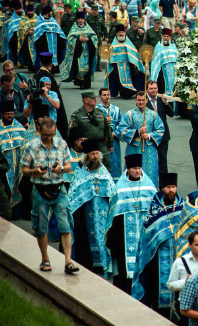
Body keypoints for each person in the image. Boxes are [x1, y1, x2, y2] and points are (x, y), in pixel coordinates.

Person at [20, 118, 78, 274]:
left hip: (59, 188)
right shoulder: (31, 147)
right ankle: (45, 259)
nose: (49, 139)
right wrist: (34, 171)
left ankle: (68, 261)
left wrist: (61, 168)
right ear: (39, 131)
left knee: (65, 224)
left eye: (52, 135)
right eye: (46, 136)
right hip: (40, 188)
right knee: (41, 226)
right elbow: (24, 169)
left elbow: (68, 166)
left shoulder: (61, 144)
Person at [132, 173, 184, 316]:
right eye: (168, 187)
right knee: (159, 304)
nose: (172, 190)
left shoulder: (183, 208)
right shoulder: (154, 211)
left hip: (179, 260)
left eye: (174, 187)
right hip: (158, 263)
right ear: (162, 188)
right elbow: (146, 240)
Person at [105, 153, 156, 294]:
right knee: (124, 273)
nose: (137, 171)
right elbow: (113, 217)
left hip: (144, 237)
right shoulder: (120, 188)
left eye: (139, 168)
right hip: (124, 239)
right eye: (134, 168)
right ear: (128, 169)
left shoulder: (149, 187)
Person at [67, 138, 115, 272]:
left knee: (104, 234)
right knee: (88, 236)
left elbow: (112, 188)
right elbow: (74, 193)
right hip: (86, 212)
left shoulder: (102, 169)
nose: (95, 157)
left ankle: (104, 262)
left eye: (97, 154)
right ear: (86, 155)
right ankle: (92, 263)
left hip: (104, 209)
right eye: (92, 154)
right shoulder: (81, 170)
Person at [119, 91, 165, 186]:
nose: (141, 102)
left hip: (149, 150)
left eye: (143, 100)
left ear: (147, 100)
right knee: (132, 174)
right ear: (135, 100)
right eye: (139, 100)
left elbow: (160, 130)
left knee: (150, 174)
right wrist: (138, 132)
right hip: (133, 149)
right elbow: (122, 131)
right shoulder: (129, 114)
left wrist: (148, 136)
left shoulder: (153, 114)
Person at [68, 91, 113, 171]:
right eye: (92, 98)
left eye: (95, 98)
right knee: (88, 166)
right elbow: (71, 132)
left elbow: (107, 128)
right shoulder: (77, 115)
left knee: (106, 165)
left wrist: (110, 144)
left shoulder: (100, 113)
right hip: (86, 146)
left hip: (100, 144)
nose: (95, 100)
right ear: (86, 100)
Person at [105, 24, 145, 98]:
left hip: (128, 66)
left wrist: (133, 62)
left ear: (125, 33)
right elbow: (110, 58)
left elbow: (134, 54)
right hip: (117, 67)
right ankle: (119, 92)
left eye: (122, 32)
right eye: (119, 32)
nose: (121, 34)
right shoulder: (113, 45)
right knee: (117, 79)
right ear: (117, 33)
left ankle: (129, 92)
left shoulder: (129, 44)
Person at [60, 11, 98, 89]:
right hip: (78, 52)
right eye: (79, 19)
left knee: (87, 68)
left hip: (87, 52)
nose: (80, 20)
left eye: (82, 19)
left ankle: (86, 83)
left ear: (84, 19)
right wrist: (78, 39)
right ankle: (81, 83)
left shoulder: (88, 28)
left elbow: (95, 38)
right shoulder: (74, 29)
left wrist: (88, 39)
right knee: (80, 68)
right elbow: (69, 40)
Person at [0, 100, 26, 205]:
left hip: (18, 165)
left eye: (11, 113)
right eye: (7, 114)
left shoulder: (19, 128)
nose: (10, 116)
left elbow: (25, 143)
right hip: (4, 166)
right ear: (2, 114)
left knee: (19, 186)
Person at [145, 81, 173, 176]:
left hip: (163, 136)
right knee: (151, 160)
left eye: (155, 88)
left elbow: (171, 114)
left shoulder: (162, 99)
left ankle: (163, 186)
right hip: (150, 136)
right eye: (151, 88)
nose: (153, 90)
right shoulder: (143, 101)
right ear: (146, 90)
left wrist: (166, 103)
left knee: (163, 161)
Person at [96, 88, 123, 180]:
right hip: (101, 141)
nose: (107, 97)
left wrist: (114, 133)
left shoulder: (116, 110)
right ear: (99, 97)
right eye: (104, 95)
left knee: (114, 161)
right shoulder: (95, 110)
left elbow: (122, 125)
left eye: (108, 95)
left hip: (114, 141)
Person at [33, 5, 66, 71]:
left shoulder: (53, 20)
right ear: (47, 12)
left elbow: (59, 31)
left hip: (54, 43)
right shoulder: (40, 21)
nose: (52, 12)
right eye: (51, 11)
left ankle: (53, 69)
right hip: (44, 43)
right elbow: (37, 34)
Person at [16, 4, 37, 71]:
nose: (30, 12)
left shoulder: (37, 18)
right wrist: (27, 31)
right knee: (28, 54)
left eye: (31, 11)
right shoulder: (23, 19)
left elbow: (41, 26)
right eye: (29, 11)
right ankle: (30, 67)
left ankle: (36, 66)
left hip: (35, 39)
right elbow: (20, 29)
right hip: (27, 40)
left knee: (36, 53)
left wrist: (35, 29)